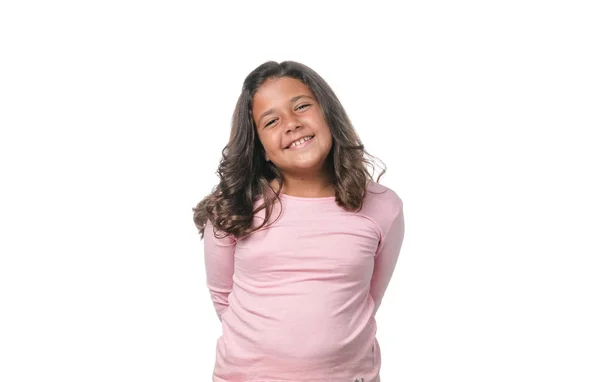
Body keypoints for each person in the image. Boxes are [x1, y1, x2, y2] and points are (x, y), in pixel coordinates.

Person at [192, 60, 405, 382]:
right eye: (271, 121)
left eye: (302, 106)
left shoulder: (382, 207)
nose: (291, 124)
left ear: (328, 115)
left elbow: (367, 299)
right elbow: (224, 298)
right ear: (260, 147)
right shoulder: (235, 208)